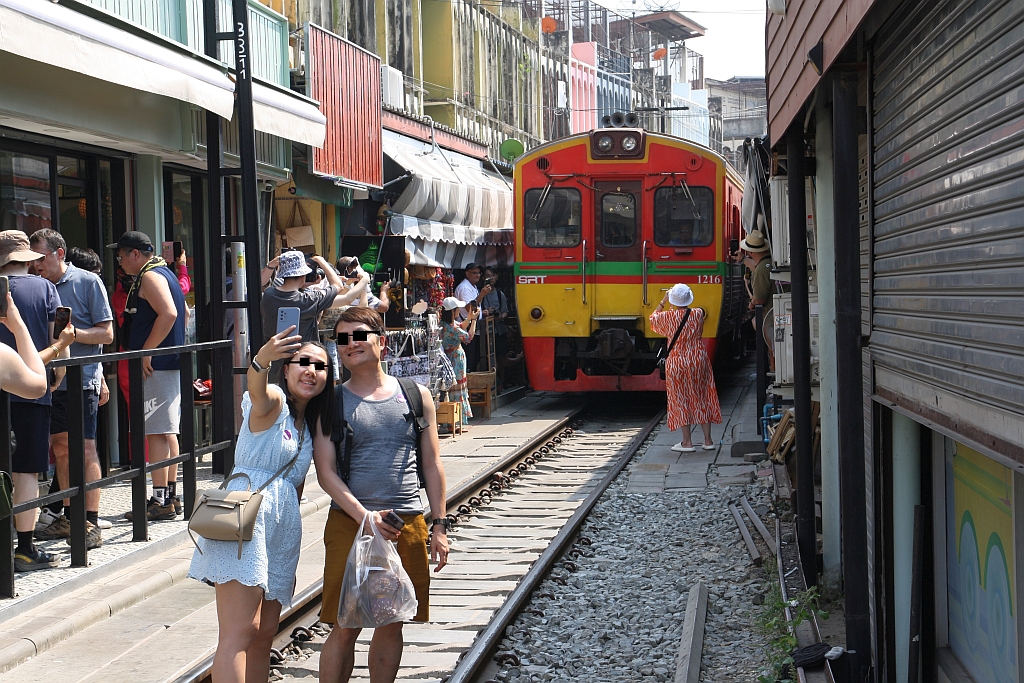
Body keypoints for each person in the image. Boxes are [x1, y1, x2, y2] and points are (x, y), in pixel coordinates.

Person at [313, 306, 448, 683]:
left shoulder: (415, 395)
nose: (351, 344)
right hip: (351, 524)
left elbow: (433, 464)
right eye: (343, 339)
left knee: (392, 622)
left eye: (359, 336)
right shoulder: (331, 401)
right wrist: (365, 518)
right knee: (344, 624)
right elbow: (325, 472)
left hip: (405, 522)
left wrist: (439, 525)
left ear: (381, 343)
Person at [188, 328, 330, 683]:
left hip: (281, 530)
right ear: (286, 369)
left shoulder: (307, 425)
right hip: (246, 519)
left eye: (321, 366)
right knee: (239, 632)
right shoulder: (274, 403)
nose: (311, 371)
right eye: (302, 363)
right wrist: (261, 360)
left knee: (264, 633)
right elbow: (257, 388)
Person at [29, 230, 114, 549]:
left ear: (59, 253)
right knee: (60, 447)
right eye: (33, 259)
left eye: (41, 257)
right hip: (47, 378)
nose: (37, 264)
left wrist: (72, 335)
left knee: (86, 447)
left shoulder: (88, 282)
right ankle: (68, 514)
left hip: (81, 376)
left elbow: (106, 334)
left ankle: (90, 520)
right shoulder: (37, 285)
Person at [0, 230, 73, 572]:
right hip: (30, 388)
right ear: (27, 259)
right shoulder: (44, 288)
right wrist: (55, 376)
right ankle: (25, 548)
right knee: (26, 469)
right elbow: (57, 338)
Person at [109, 231, 187, 520]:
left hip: (156, 365)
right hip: (166, 362)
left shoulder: (151, 276)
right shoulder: (164, 273)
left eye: (121, 255)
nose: (119, 262)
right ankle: (170, 495)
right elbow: (184, 313)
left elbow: (169, 314)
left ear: (135, 254)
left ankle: (160, 501)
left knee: (156, 432)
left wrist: (146, 350)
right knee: (167, 430)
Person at [260, 252, 369, 378]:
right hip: (304, 361)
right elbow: (340, 290)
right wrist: (321, 260)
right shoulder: (310, 300)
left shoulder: (268, 295)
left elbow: (263, 284)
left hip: (274, 362)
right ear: (303, 275)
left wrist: (270, 265)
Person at [649, 284, 722, 452]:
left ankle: (687, 442)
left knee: (680, 399)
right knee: (703, 396)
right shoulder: (697, 314)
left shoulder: (668, 317)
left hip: (677, 362)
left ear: (673, 300)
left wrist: (664, 300)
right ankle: (708, 441)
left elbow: (653, 318)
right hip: (698, 360)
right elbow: (697, 312)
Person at [439, 296, 478, 426]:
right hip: (456, 358)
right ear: (452, 311)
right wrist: (474, 321)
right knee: (458, 387)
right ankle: (457, 420)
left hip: (451, 357)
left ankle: (453, 419)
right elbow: (468, 337)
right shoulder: (452, 328)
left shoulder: (445, 325)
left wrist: (469, 318)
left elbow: (461, 326)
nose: (458, 311)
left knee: (452, 387)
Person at [453, 263, 493, 372]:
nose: (478, 275)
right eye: (474, 273)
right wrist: (482, 295)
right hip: (466, 327)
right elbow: (468, 308)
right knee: (470, 359)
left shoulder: (472, 286)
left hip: (473, 326)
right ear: (467, 274)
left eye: (479, 273)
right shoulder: (465, 288)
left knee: (474, 358)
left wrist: (481, 312)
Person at [480, 267, 510, 380]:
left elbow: (505, 311)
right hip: (485, 331)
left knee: (501, 357)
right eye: (488, 275)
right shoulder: (480, 294)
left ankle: (501, 381)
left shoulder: (499, 294)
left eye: (492, 275)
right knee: (486, 357)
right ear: (483, 278)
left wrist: (500, 317)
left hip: (499, 330)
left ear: (496, 277)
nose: (490, 278)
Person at [739, 229, 772, 323]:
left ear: (750, 252)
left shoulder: (760, 270)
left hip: (771, 317)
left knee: (755, 322)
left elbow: (759, 300)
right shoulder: (771, 262)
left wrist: (752, 303)